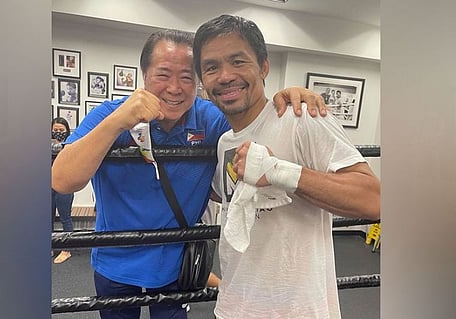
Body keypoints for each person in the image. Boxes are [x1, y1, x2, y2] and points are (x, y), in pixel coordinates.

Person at [52, 29, 326, 319]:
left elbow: (257, 126)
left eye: (186, 77)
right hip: (115, 261)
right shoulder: (110, 114)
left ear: (197, 81)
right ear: (144, 74)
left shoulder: (210, 119)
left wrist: (284, 100)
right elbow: (62, 180)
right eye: (163, 74)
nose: (175, 88)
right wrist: (118, 122)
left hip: (176, 264)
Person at [193, 15, 381, 319]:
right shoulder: (225, 141)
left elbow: (374, 199)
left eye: (238, 62)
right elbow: (224, 195)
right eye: (211, 67)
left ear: (264, 66)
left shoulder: (301, 118)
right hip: (234, 306)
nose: (225, 75)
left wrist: (281, 172)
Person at [51, 117, 74, 264]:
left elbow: (66, 150)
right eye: (55, 130)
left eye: (61, 130)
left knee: (65, 217)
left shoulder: (72, 143)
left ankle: (67, 249)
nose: (58, 132)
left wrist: (61, 145)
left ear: (67, 131)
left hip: (65, 184)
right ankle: (50, 245)